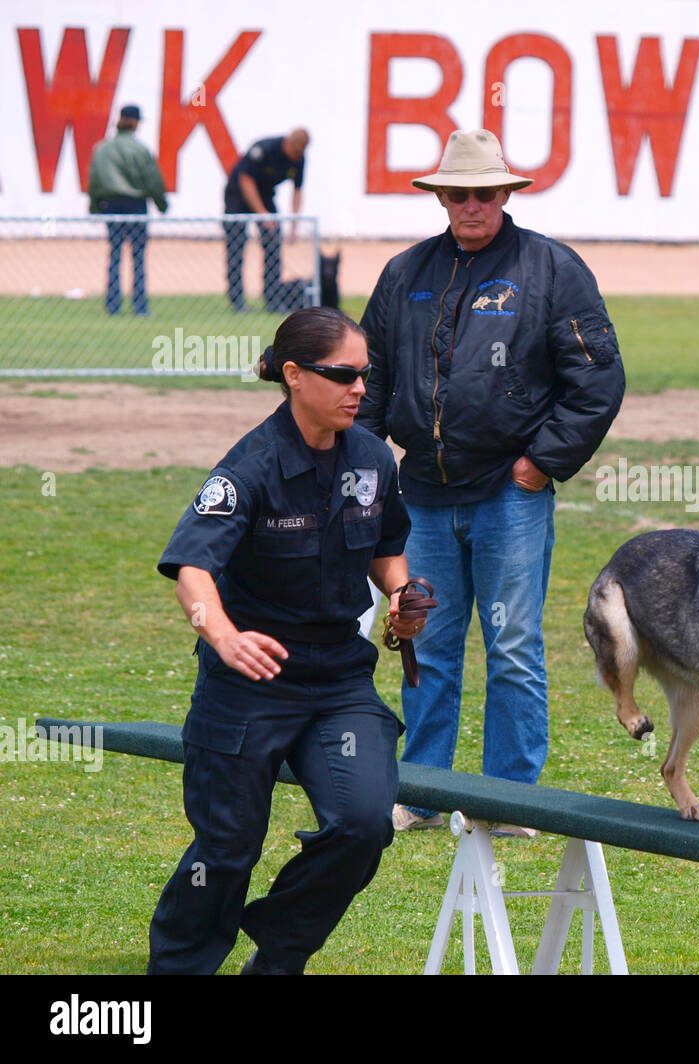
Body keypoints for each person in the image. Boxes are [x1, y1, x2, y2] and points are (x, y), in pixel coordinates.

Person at [357, 129, 625, 832]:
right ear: (440, 197)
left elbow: (597, 380)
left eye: (484, 192)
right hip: (423, 495)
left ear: (506, 194)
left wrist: (543, 464)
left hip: (511, 495)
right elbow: (372, 378)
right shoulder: (402, 274)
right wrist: (364, 467)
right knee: (427, 644)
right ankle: (419, 793)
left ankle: (511, 801)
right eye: (458, 193)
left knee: (511, 646)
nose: (471, 204)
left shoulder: (551, 269)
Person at [148, 306, 427, 974]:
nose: (360, 388)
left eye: (366, 374)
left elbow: (387, 545)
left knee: (364, 823)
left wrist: (399, 593)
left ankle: (279, 951)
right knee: (227, 848)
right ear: (295, 375)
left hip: (338, 681)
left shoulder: (371, 455)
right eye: (343, 375)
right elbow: (192, 569)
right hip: (248, 681)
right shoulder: (252, 465)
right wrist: (222, 636)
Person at [87, 104, 168, 315]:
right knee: (138, 258)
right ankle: (140, 307)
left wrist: (94, 208)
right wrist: (161, 204)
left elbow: (94, 180)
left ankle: (113, 306)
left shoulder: (102, 148)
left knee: (114, 256)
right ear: (134, 122)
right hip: (135, 206)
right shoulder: (139, 149)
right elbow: (152, 180)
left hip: (110, 205)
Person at [222, 129, 309, 312]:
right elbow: (245, 179)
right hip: (238, 196)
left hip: (265, 195)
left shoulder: (299, 157)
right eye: (295, 153)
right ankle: (237, 301)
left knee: (273, 246)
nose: (296, 157)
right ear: (288, 143)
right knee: (236, 247)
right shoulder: (265, 148)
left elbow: (298, 190)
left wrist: (294, 226)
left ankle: (273, 300)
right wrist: (262, 214)